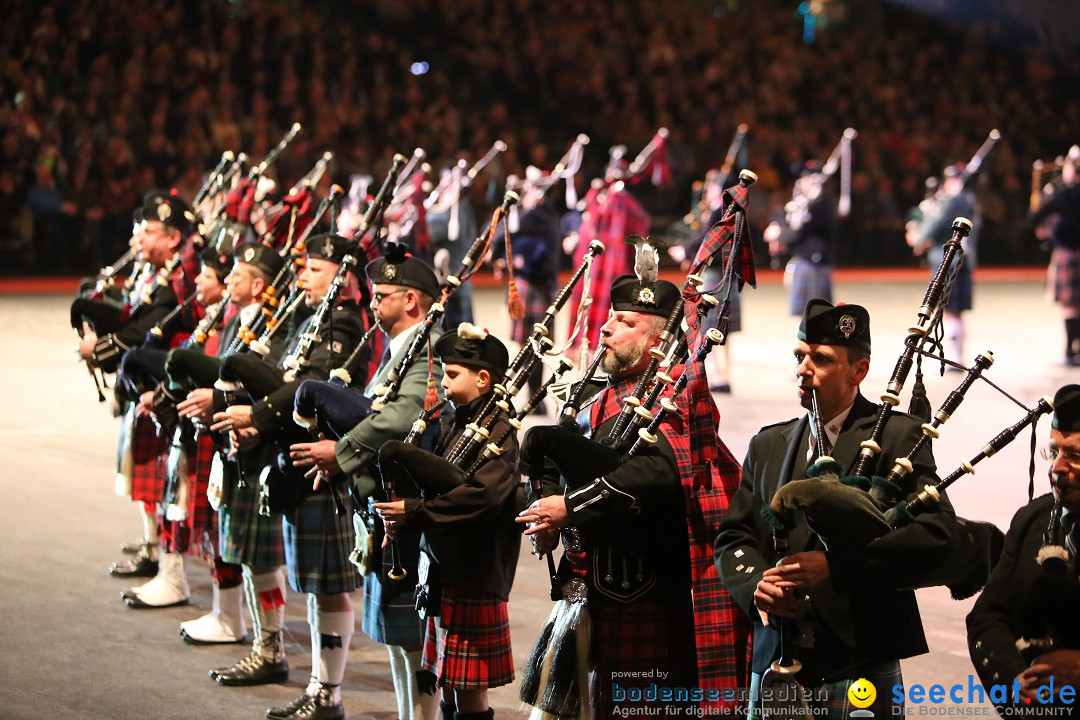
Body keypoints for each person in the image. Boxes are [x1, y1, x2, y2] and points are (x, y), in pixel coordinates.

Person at [715, 298, 958, 720]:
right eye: (800, 355)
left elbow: (938, 537)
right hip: (777, 657)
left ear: (858, 371)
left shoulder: (900, 438)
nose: (803, 368)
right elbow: (734, 536)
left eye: (821, 359)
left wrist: (838, 569)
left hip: (857, 656)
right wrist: (755, 585)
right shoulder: (768, 444)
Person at [519, 273, 748, 717]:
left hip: (644, 594)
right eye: (609, 318)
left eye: (624, 322)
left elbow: (662, 471)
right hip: (586, 589)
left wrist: (569, 507)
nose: (605, 329)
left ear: (659, 339)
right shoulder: (601, 396)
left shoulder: (679, 390)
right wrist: (544, 511)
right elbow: (561, 459)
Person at [207, 234, 368, 720]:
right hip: (291, 458)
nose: (304, 277)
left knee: (328, 584)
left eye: (316, 269)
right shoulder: (309, 321)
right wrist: (255, 427)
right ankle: (314, 681)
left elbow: (307, 387)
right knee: (315, 584)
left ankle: (328, 691)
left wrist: (257, 416)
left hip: (322, 464)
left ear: (346, 279)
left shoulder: (344, 325)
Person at [290, 252, 444, 720]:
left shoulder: (428, 351)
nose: (372, 304)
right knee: (399, 641)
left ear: (412, 300)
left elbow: (398, 419)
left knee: (416, 643)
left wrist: (340, 454)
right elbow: (373, 411)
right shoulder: (401, 349)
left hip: (409, 512)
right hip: (383, 510)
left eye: (382, 296)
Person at [374, 323, 520, 720]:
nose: (443, 379)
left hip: (473, 572)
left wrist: (416, 512)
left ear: (483, 378)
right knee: (450, 683)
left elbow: (484, 496)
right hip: (445, 567)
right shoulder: (455, 422)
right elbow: (438, 483)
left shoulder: (501, 431)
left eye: (453, 373)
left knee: (470, 691)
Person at [967, 384, 1080, 716]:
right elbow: (988, 617)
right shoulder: (1033, 520)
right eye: (1054, 451)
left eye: (1074, 455)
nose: (1057, 468)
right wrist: (1018, 685)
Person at [492, 169, 563, 410]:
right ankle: (532, 397)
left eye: (530, 190)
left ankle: (533, 397)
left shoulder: (538, 216)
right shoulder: (538, 215)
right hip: (532, 285)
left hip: (534, 285)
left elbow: (510, 236)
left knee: (533, 347)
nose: (525, 195)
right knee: (531, 346)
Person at [906, 163, 980, 366]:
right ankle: (955, 355)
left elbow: (937, 222)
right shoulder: (969, 200)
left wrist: (918, 238)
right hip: (960, 260)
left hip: (948, 261)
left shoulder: (954, 201)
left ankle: (954, 358)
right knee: (953, 311)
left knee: (949, 310)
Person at [764, 163, 838, 316]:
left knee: (818, 316)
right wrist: (776, 225)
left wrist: (779, 235)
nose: (800, 182)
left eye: (805, 178)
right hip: (804, 261)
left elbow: (799, 233)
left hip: (815, 264)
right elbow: (784, 217)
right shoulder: (804, 203)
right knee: (806, 318)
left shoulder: (821, 204)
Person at [1032, 147, 1080, 367]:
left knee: (1070, 306)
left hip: (1068, 252)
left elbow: (1036, 216)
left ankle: (1071, 352)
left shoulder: (1064, 193)